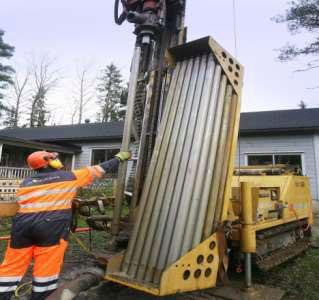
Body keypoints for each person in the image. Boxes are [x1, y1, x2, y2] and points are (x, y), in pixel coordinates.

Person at [0, 150, 130, 300]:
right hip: (50, 228)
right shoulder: (68, 177)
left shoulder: (26, 182)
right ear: (48, 161)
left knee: (12, 266)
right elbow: (98, 170)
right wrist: (118, 158)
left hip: (22, 227)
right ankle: (42, 297)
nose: (57, 159)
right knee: (46, 268)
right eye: (54, 158)